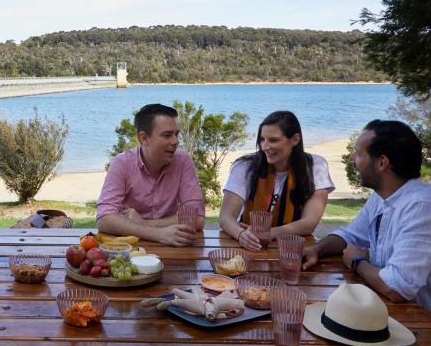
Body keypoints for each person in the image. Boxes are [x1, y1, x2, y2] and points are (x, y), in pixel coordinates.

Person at [302, 120, 431, 330]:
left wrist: (357, 262)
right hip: (397, 321)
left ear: (382, 163)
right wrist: (316, 250)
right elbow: (350, 236)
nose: (352, 160)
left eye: (358, 153)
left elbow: (397, 287)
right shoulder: (383, 196)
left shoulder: (424, 208)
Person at [220, 111, 334, 251]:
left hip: (293, 249)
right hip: (249, 246)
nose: (264, 147)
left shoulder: (315, 166)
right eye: (262, 139)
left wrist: (270, 233)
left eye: (273, 140)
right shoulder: (245, 166)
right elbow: (226, 217)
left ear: (295, 139)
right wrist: (242, 235)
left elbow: (309, 222)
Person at [96, 103, 205, 247]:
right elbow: (104, 220)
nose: (175, 141)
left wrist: (145, 223)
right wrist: (158, 234)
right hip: (129, 249)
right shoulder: (122, 163)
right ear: (144, 138)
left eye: (176, 134)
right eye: (167, 135)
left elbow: (197, 217)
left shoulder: (182, 160)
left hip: (174, 245)